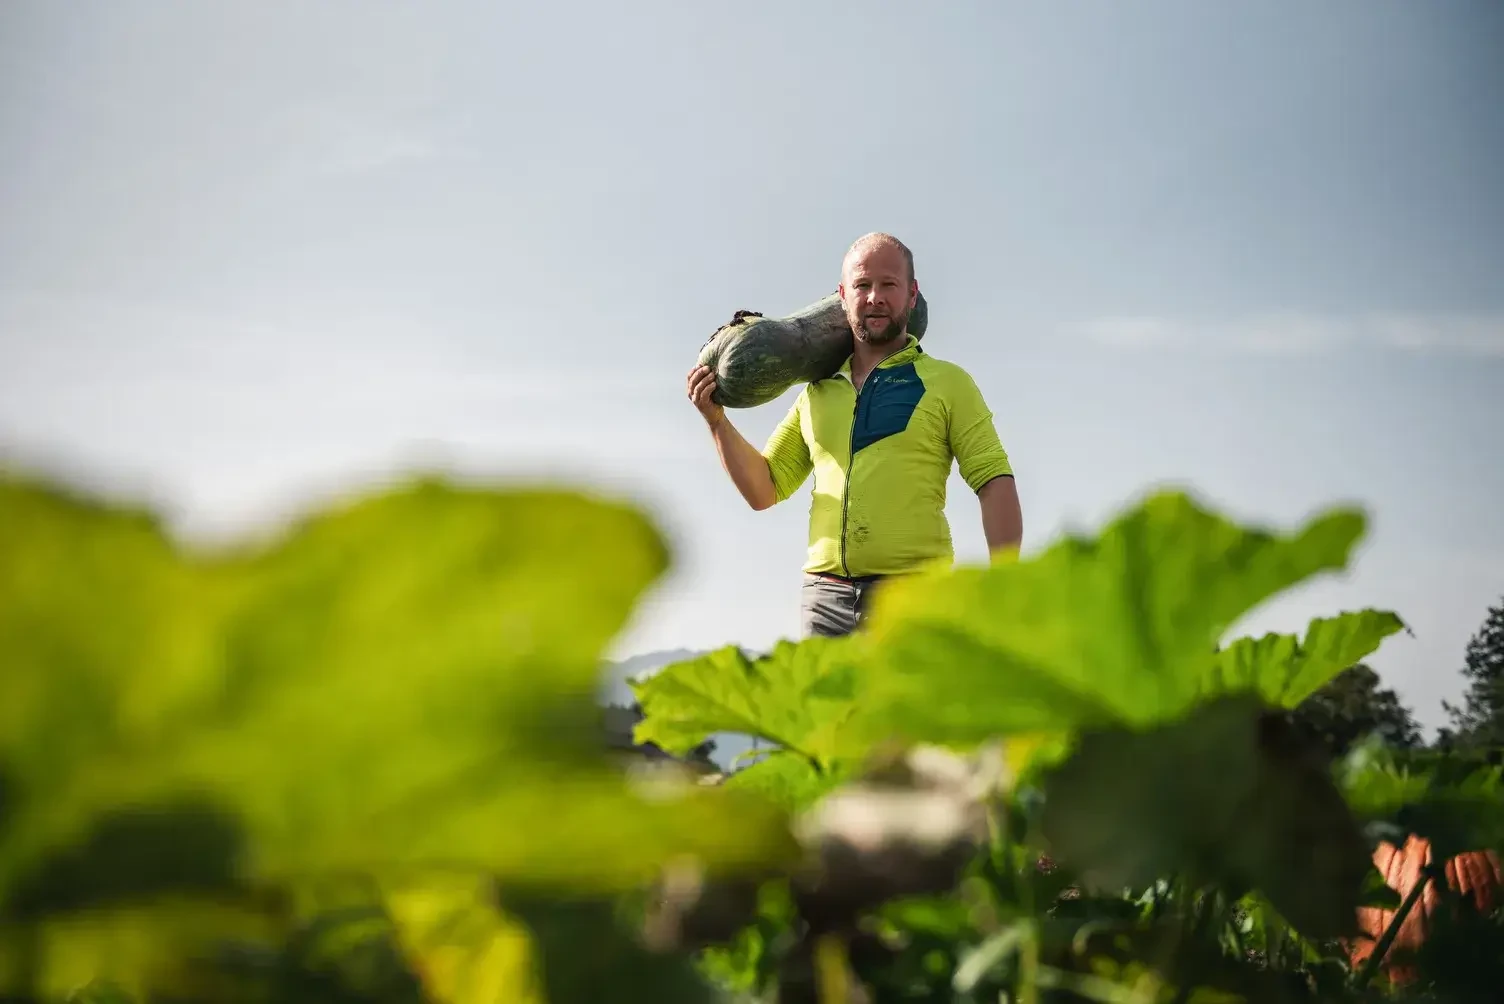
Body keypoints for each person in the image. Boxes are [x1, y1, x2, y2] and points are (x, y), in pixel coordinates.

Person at [686, 232, 1023, 638]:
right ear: (841, 298)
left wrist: (1006, 582)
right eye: (862, 285)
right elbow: (765, 489)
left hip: (915, 598)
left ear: (912, 295)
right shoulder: (817, 394)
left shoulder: (948, 384)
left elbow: (993, 480)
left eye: (889, 285)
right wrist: (717, 422)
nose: (874, 297)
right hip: (825, 600)